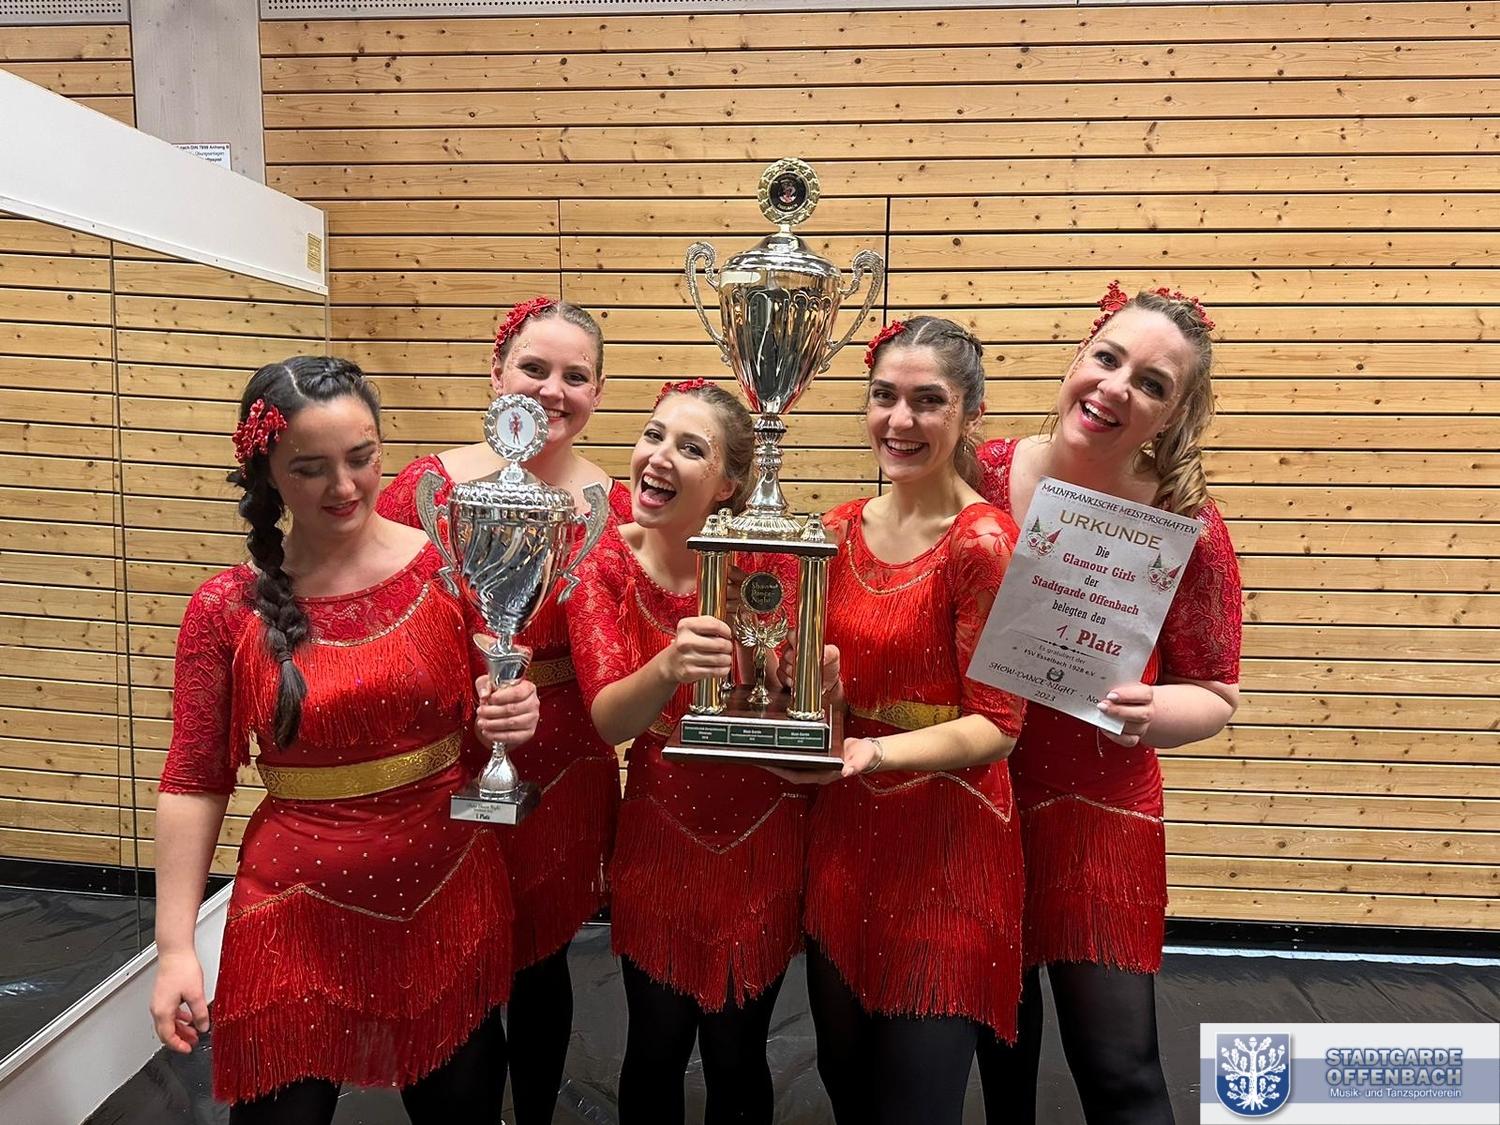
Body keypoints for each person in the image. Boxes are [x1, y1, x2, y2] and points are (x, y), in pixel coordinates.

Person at [148, 356, 540, 1124]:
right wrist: (174, 949)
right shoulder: (225, 609)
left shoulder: (449, 570)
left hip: (445, 896)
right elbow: (194, 778)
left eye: (362, 457)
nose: (345, 486)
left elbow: (488, 714)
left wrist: (509, 714)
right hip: (294, 911)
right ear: (266, 472)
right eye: (310, 468)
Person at [973, 283, 1243, 1125]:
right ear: (1077, 358)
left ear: (1174, 413)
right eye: (1108, 357)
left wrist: (1154, 710)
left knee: (1120, 1069)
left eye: (1152, 383)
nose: (1117, 387)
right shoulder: (977, 473)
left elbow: (1217, 693)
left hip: (1101, 807)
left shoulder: (1187, 521)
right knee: (1000, 1054)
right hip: (979, 798)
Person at [378, 297, 630, 1124]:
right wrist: (466, 690)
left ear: (598, 392)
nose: (554, 389)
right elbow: (380, 621)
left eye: (575, 375)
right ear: (497, 374)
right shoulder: (425, 490)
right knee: (451, 949)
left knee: (542, 957)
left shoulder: (620, 505)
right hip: (452, 750)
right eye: (534, 367)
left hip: (565, 759)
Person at [795, 317, 1028, 1125]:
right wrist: (811, 701)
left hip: (947, 846)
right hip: (845, 836)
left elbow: (998, 725)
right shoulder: (835, 529)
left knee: (917, 1103)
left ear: (971, 412)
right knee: (847, 1082)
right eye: (884, 396)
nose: (900, 420)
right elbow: (819, 692)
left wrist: (873, 750)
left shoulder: (985, 542)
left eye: (928, 400)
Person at [566, 379, 808, 1125]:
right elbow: (608, 720)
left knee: (738, 1053)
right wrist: (668, 666)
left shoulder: (765, 564)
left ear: (728, 483)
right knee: (655, 1047)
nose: (659, 456)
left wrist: (800, 673)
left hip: (761, 839)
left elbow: (789, 696)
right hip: (660, 836)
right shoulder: (603, 565)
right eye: (653, 435)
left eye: (690, 448)